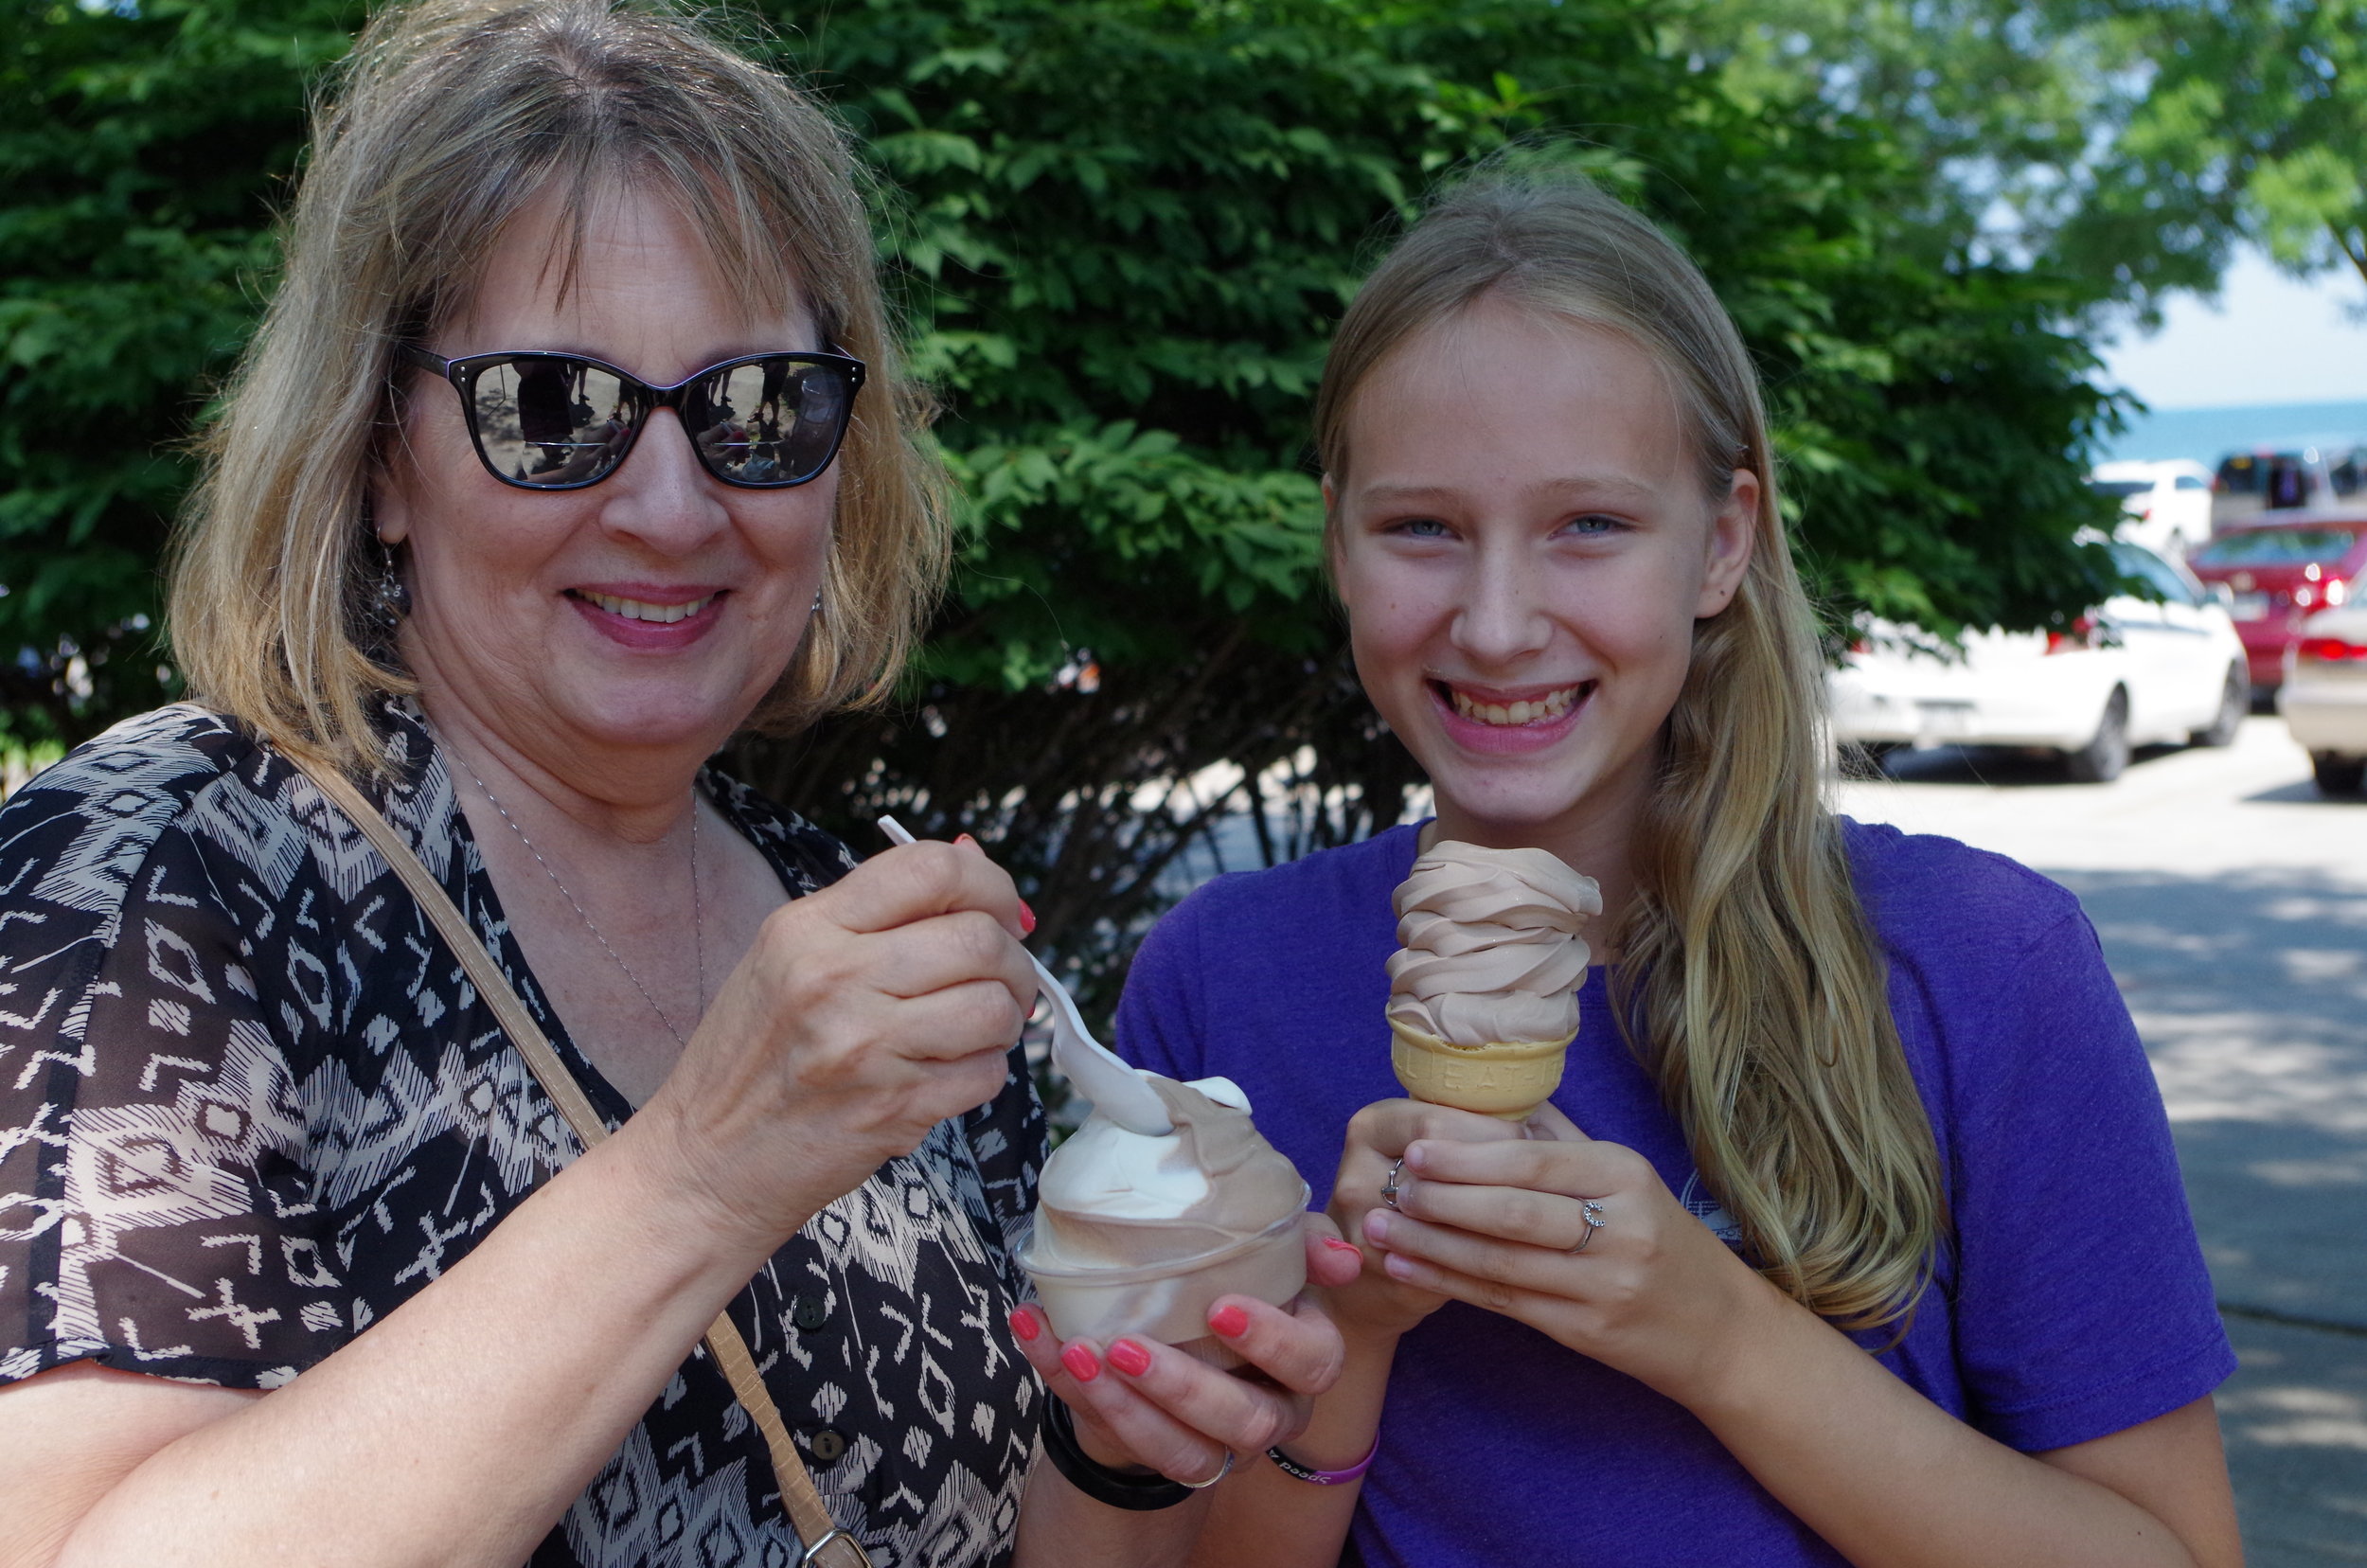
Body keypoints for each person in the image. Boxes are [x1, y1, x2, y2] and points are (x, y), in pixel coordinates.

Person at [0, 3, 1344, 1564]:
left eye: (755, 408)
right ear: (377, 457)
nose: (669, 503)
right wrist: (706, 1169)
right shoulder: (159, 879)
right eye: (551, 412)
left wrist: (1113, 1453)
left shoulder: (850, 930)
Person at [1102, 175, 2245, 1567]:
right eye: (1423, 528)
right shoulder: (1222, 981)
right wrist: (1350, 1325)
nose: (1501, 620)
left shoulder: (1985, 964)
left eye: (1589, 524)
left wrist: (1713, 1332)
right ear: (1338, 538)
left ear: (1721, 543)